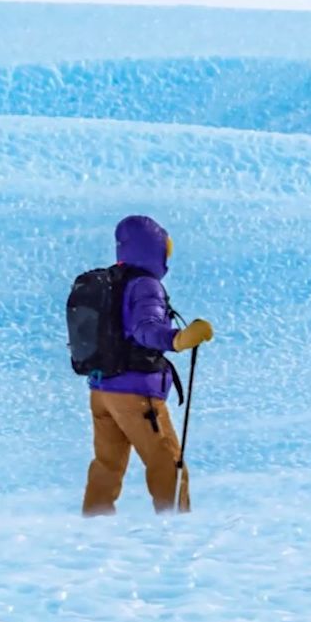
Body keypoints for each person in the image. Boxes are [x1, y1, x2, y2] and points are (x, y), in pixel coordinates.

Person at [83, 215, 214, 516]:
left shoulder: (110, 282)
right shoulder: (145, 286)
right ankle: (174, 529)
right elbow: (146, 329)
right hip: (135, 393)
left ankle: (91, 530)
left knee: (107, 466)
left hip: (101, 390)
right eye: (165, 248)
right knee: (168, 462)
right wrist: (179, 339)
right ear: (153, 250)